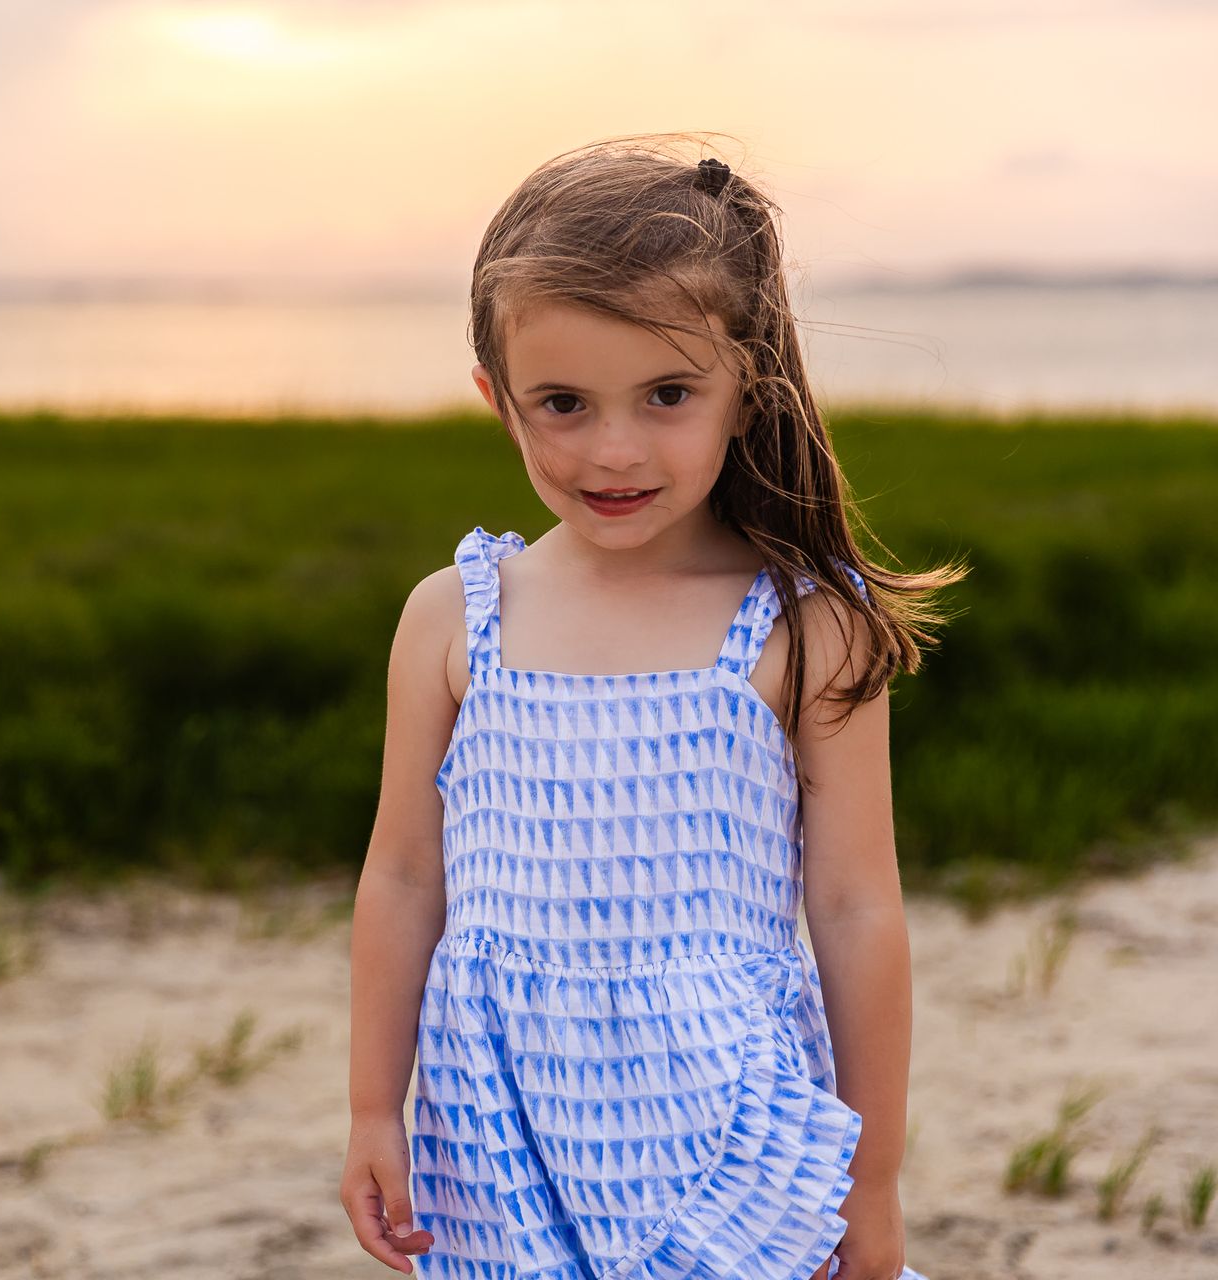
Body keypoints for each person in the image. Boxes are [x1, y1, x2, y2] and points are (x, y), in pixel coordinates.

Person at [340, 135, 966, 1280]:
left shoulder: (802, 624)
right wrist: (373, 1107)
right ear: (500, 400)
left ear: (744, 391)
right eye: (564, 403)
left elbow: (856, 907)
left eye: (668, 394)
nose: (613, 449)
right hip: (497, 1128)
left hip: (726, 1127)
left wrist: (870, 1185)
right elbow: (401, 876)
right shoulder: (453, 618)